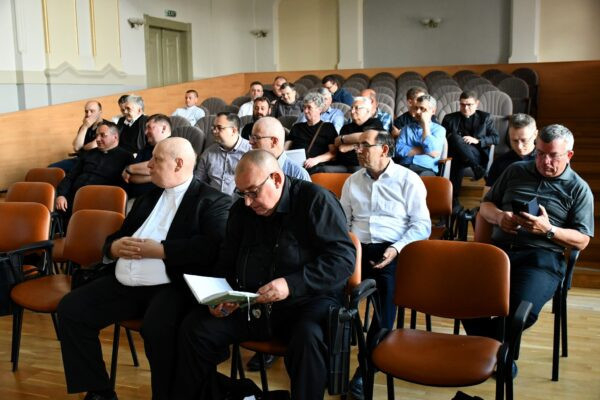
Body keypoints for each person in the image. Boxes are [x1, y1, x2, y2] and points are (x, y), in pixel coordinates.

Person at [170, 149, 356, 399]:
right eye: (242, 193)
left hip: (305, 302)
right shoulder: (241, 210)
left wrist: (291, 284)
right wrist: (221, 295)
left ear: (276, 179)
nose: (247, 202)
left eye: (253, 192)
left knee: (308, 338)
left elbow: (342, 260)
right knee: (195, 329)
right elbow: (227, 260)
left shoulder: (316, 200)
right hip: (251, 302)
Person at [57, 137, 231, 400]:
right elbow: (118, 237)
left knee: (157, 330)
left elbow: (212, 248)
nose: (148, 165)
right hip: (126, 284)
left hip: (171, 286)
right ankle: (100, 392)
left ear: (178, 164)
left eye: (156, 160)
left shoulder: (213, 201)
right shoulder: (148, 197)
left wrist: (162, 251)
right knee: (72, 308)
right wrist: (114, 248)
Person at [464, 124, 593, 346]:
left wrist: (549, 230)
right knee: (463, 299)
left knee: (520, 313)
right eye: (540, 153)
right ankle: (497, 353)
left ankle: (487, 350)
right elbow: (485, 206)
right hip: (499, 252)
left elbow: (582, 240)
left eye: (553, 155)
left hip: (541, 258)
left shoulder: (578, 189)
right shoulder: (515, 170)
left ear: (569, 155)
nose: (544, 161)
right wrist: (499, 217)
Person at [341, 130, 431, 400]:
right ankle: (331, 363)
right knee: (329, 296)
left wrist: (396, 248)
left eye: (364, 145)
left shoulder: (408, 180)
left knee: (383, 307)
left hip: (391, 249)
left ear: (384, 149)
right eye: (357, 145)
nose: (358, 150)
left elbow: (422, 225)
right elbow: (343, 222)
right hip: (357, 249)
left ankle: (366, 368)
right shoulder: (352, 181)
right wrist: (346, 250)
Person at [55, 121, 133, 218]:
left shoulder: (126, 157)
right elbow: (71, 176)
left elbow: (123, 188)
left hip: (100, 203)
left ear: (115, 137)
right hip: (72, 199)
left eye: (103, 135)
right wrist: (61, 195)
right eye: (96, 136)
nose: (97, 139)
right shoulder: (89, 153)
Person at [442, 91, 499, 203]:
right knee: (455, 140)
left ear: (477, 103)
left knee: (457, 154)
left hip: (477, 154)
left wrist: (477, 141)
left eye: (469, 104)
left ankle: (453, 199)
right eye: (462, 104)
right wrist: (458, 141)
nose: (465, 108)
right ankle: (476, 168)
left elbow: (495, 138)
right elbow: (442, 139)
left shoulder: (485, 117)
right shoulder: (449, 118)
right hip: (456, 155)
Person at [196, 112, 251, 195]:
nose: (214, 131)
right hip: (212, 200)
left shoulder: (250, 152)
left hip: (240, 200)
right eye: (214, 127)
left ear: (233, 130)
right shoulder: (208, 153)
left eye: (219, 128)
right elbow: (198, 182)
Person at [285, 92, 338, 174]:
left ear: (319, 109)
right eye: (304, 107)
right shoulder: (296, 127)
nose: (305, 111)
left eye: (309, 107)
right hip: (294, 166)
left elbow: (333, 153)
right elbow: (285, 149)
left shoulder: (328, 127)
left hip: (315, 167)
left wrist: (316, 160)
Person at [122, 114, 172, 199]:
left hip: (156, 199)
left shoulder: (175, 145)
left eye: (149, 127)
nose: (145, 132)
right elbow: (130, 177)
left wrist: (130, 168)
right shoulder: (146, 148)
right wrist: (155, 176)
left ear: (163, 128)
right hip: (133, 198)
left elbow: (161, 166)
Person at [49, 100, 108, 172]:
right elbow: (76, 147)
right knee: (51, 168)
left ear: (100, 112)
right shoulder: (85, 126)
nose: (88, 114)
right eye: (86, 111)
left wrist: (83, 147)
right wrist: (85, 127)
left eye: (92, 111)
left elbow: (93, 145)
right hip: (81, 159)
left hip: (95, 161)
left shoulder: (107, 126)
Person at [484, 113, 537, 193]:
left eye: (524, 140)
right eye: (514, 140)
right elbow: (487, 193)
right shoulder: (499, 162)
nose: (519, 146)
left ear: (535, 134)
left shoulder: (546, 161)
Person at [393, 95, 445, 176]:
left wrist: (425, 125)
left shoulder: (439, 130)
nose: (417, 111)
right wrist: (424, 150)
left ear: (433, 111)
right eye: (416, 108)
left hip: (425, 168)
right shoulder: (406, 128)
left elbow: (432, 151)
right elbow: (397, 150)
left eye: (422, 109)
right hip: (404, 166)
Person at [250, 116, 310, 182]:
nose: (250, 142)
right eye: (251, 137)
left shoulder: (298, 175)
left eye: (256, 138)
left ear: (274, 141)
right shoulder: (249, 167)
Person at [333, 96, 383, 172]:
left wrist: (343, 139)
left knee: (357, 171)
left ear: (367, 110)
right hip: (342, 165)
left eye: (357, 108)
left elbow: (368, 136)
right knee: (322, 170)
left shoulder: (375, 123)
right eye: (351, 108)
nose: (352, 111)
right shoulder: (346, 127)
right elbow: (341, 148)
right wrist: (358, 144)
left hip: (362, 165)